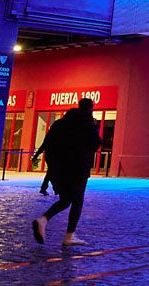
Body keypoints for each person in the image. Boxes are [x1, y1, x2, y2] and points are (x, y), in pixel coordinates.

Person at [33, 98, 102, 247]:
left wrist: (52, 166)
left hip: (58, 169)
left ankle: (43, 220)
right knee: (77, 201)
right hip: (78, 169)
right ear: (90, 108)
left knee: (65, 199)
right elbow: (95, 144)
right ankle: (69, 236)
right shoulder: (87, 125)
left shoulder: (59, 124)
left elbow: (47, 144)